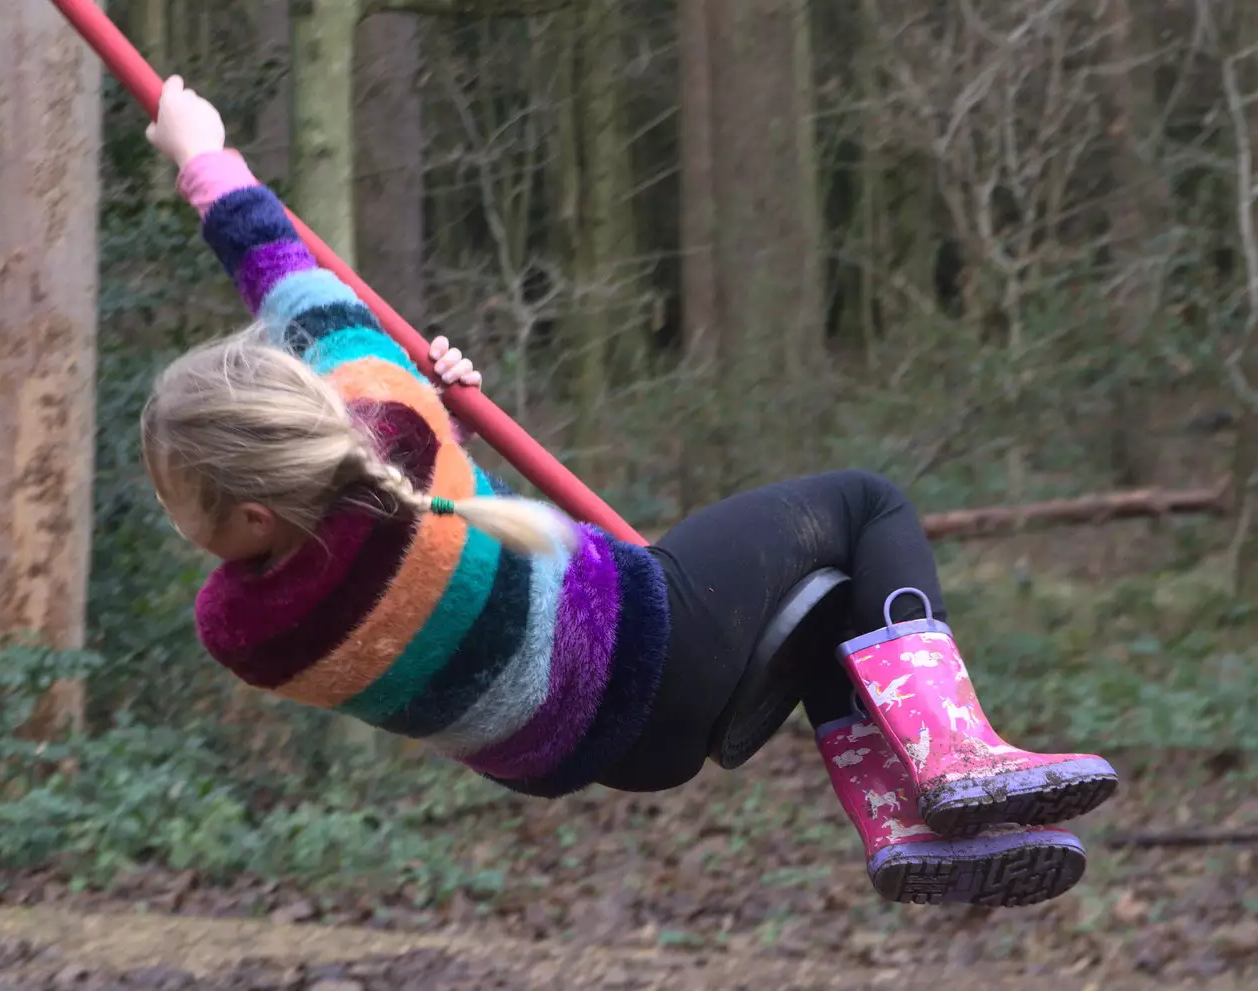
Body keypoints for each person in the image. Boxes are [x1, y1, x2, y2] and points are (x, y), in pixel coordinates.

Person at [138, 76, 1118, 907]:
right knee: (863, 507)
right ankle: (953, 757)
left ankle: (903, 827)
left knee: (831, 609)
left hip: (602, 754)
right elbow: (283, 271)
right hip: (659, 653)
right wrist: (204, 155)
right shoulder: (394, 427)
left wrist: (438, 412)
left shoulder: (248, 633)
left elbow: (409, 556)